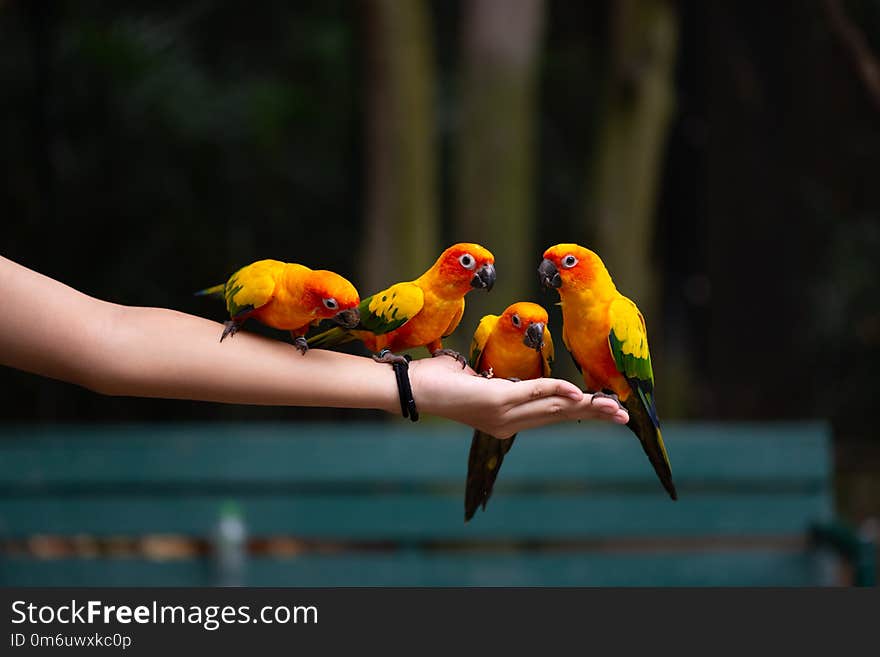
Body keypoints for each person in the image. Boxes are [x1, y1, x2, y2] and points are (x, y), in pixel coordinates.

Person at [0, 255, 628, 437]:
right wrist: (400, 379)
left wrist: (408, 385)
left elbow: (109, 344)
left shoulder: (461, 311)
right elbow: (109, 346)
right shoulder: (410, 299)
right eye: (469, 263)